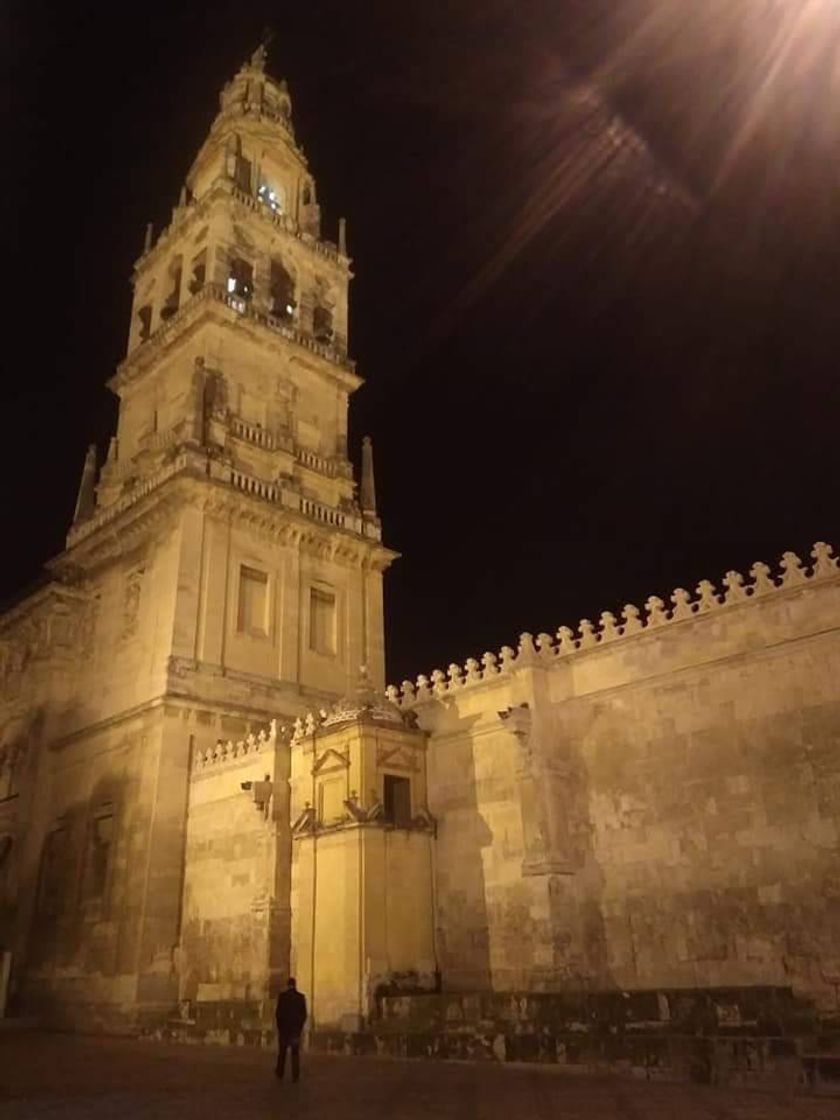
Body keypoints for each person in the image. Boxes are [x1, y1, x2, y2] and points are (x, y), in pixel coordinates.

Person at [275, 977, 307, 1082]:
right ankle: (295, 1075)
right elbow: (304, 1015)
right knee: (295, 1054)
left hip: (284, 1029)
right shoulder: (300, 997)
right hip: (295, 1030)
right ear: (295, 985)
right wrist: (299, 1027)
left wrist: (280, 1027)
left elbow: (278, 1014)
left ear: (287, 985)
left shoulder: (282, 997)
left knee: (282, 1053)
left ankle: (280, 1073)